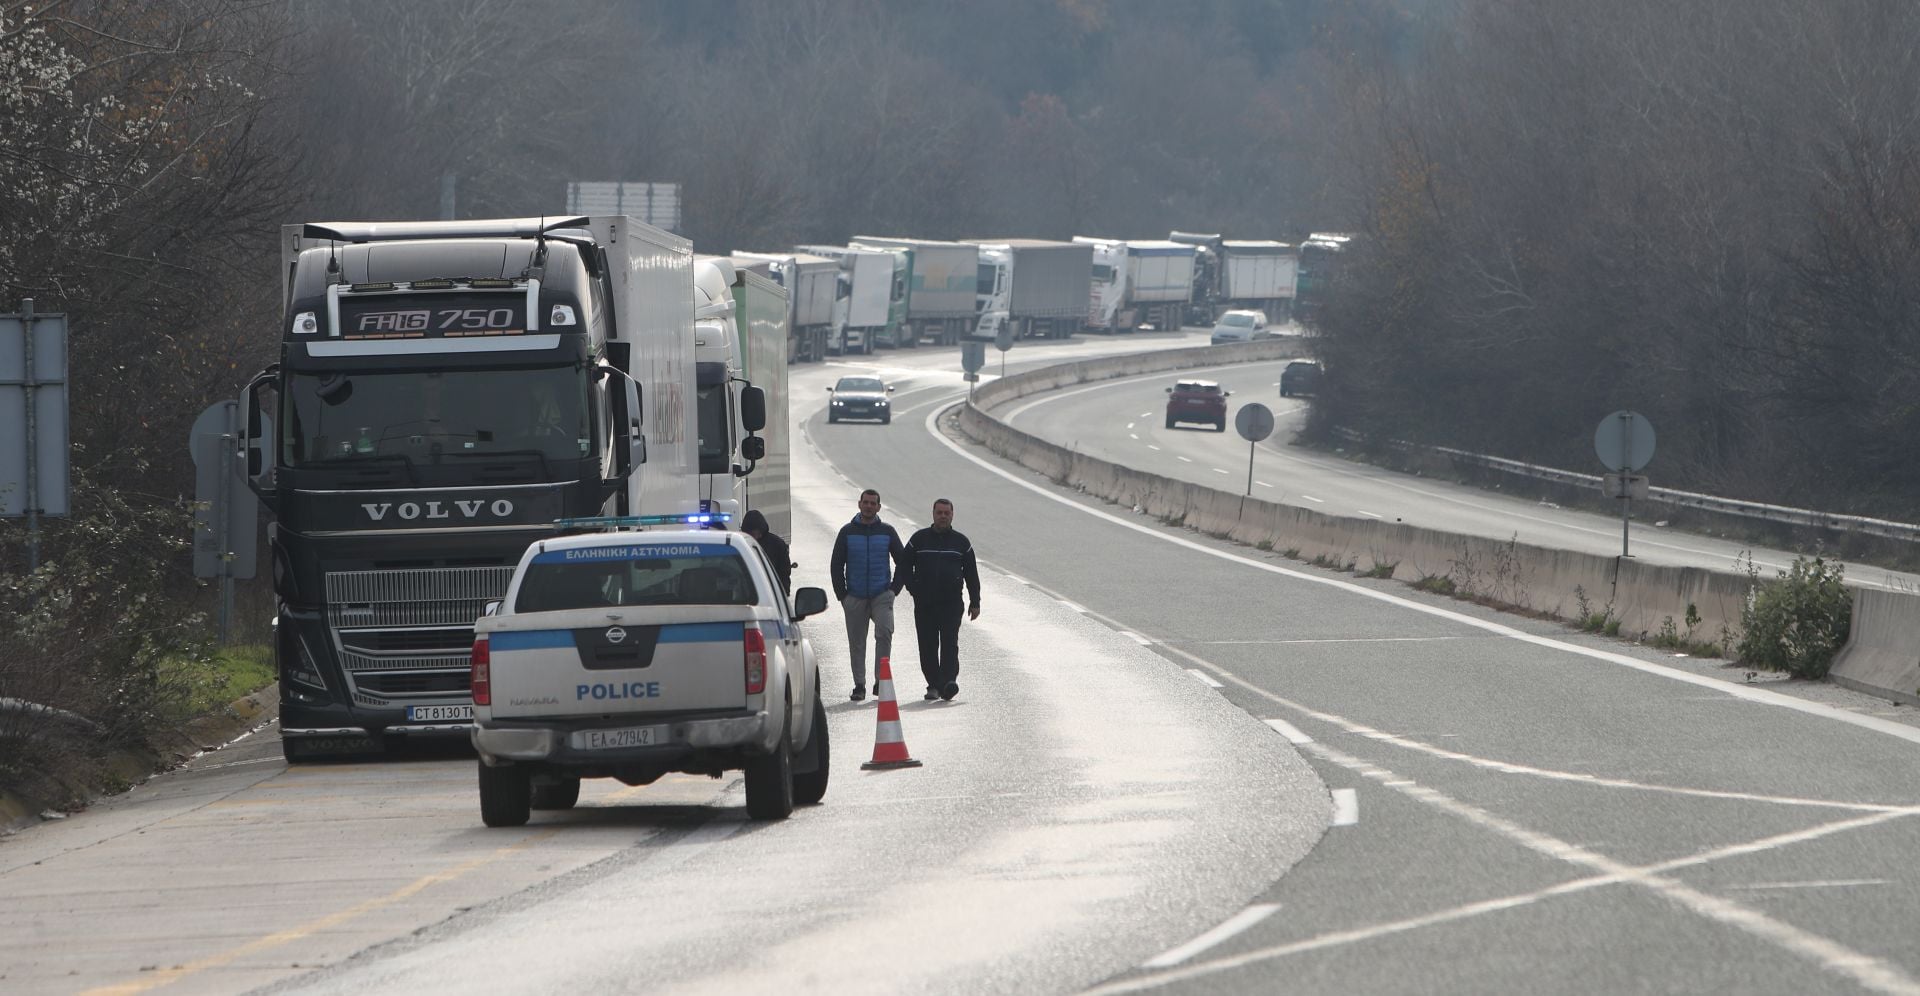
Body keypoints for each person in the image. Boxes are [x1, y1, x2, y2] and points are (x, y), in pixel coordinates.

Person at [828, 488, 906, 701]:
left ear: (879, 507)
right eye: (866, 502)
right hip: (855, 596)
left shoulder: (888, 531)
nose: (869, 506)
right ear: (859, 504)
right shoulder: (847, 532)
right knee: (857, 642)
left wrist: (894, 590)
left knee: (884, 634)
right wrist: (842, 595)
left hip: (882, 594)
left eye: (873, 503)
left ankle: (881, 682)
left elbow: (904, 562)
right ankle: (859, 685)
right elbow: (836, 564)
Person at [902, 497, 980, 702]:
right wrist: (914, 589)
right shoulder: (918, 540)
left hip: (952, 604)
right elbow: (904, 567)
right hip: (925, 604)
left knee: (949, 643)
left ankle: (948, 683)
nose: (943, 516)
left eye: (947, 513)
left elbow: (972, 574)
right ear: (933, 514)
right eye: (939, 512)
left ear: (952, 515)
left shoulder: (961, 542)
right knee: (927, 645)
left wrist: (975, 602)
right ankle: (933, 685)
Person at [740, 509, 792, 595]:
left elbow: (784, 572)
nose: (755, 536)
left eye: (756, 533)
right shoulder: (741, 544)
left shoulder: (776, 544)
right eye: (752, 533)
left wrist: (784, 593)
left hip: (772, 593)